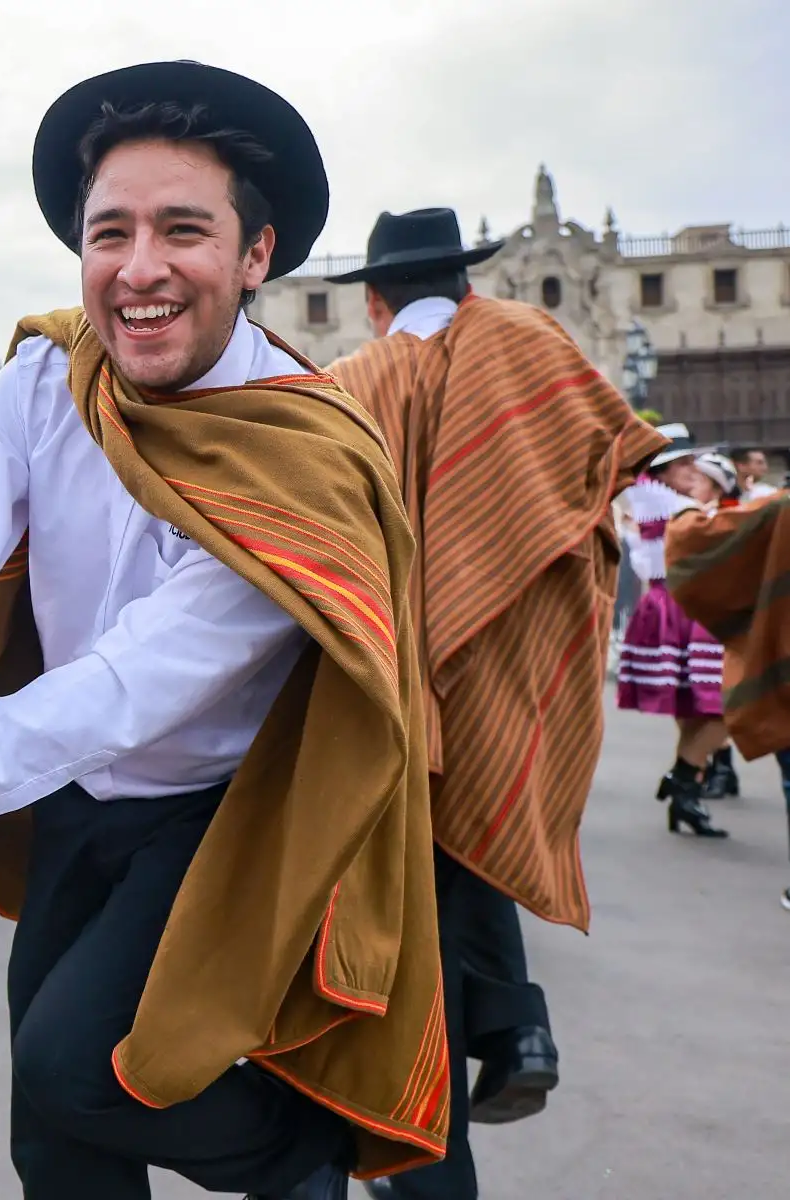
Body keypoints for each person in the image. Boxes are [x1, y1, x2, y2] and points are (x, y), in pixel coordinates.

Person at [0, 62, 445, 1200]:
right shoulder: (45, 374)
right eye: (108, 233)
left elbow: (140, 680)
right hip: (77, 803)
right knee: (51, 1142)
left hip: (225, 818)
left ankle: (303, 1153)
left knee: (80, 1071)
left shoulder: (306, 452)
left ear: (257, 256)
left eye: (184, 230)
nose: (140, 269)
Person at [321, 208, 666, 1199]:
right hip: (503, 648)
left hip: (383, 668)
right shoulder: (527, 340)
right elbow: (606, 466)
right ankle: (513, 1027)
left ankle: (430, 1113)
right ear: (469, 281)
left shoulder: (352, 382)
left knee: (397, 894)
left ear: (377, 297)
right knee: (473, 830)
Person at [666, 488, 790, 910]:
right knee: (699, 708)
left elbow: (694, 539)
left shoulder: (781, 508)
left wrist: (686, 510)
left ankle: (685, 784)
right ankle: (686, 784)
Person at [615, 426, 731, 838]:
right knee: (725, 702)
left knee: (693, 704)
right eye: (682, 462)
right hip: (688, 605)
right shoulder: (673, 503)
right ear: (659, 469)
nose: (692, 467)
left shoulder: (652, 499)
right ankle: (684, 781)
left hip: (671, 606)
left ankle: (685, 792)